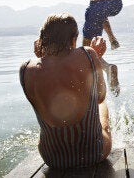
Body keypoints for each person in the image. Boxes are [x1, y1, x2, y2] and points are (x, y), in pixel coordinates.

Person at [19, 13, 112, 169]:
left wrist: (42, 56)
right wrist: (96, 58)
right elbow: (100, 96)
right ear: (73, 40)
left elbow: (51, 76)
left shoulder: (25, 69)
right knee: (102, 106)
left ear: (42, 40)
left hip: (53, 160)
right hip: (95, 153)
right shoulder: (88, 54)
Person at [50, 0, 121, 96]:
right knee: (101, 14)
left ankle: (107, 68)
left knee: (86, 51)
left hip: (97, 6)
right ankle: (112, 39)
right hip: (116, 3)